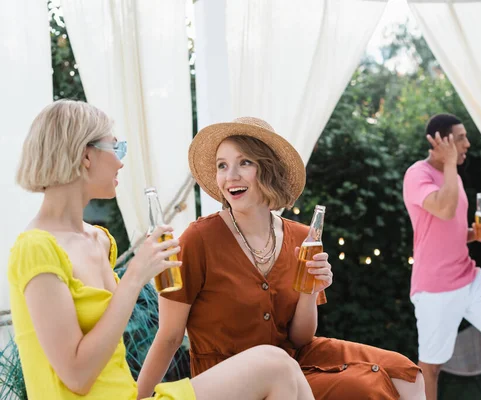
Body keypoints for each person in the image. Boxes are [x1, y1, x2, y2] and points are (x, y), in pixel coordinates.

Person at [7, 100, 315, 400]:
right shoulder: (36, 249)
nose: (120, 161)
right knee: (274, 366)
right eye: (116, 148)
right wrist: (134, 278)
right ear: (86, 156)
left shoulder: (99, 240)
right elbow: (76, 377)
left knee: (280, 366)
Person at [136, 117, 426, 399]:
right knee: (364, 389)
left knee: (407, 376)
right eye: (222, 166)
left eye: (244, 162)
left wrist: (309, 293)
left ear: (268, 170)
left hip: (297, 361)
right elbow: (170, 337)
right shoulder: (198, 240)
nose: (230, 176)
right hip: (233, 382)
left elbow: (300, 338)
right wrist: (138, 396)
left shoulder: (302, 238)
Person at [402, 113, 481, 400]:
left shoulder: (451, 175)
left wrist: (472, 234)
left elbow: (444, 225)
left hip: (467, 276)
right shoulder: (417, 174)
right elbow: (444, 209)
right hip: (434, 286)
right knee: (431, 367)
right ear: (440, 142)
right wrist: (448, 162)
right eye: (460, 138)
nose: (467, 144)